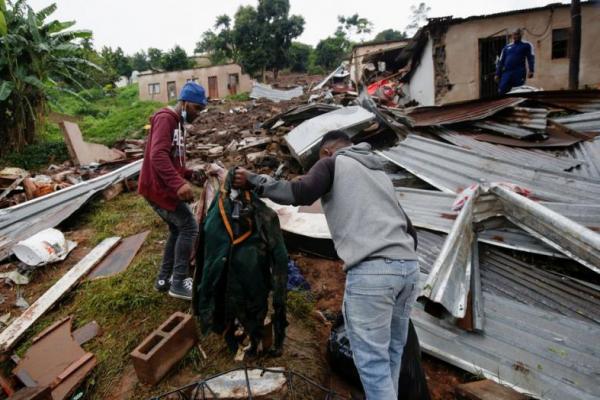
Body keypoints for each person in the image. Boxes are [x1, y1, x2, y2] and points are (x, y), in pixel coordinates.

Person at [233, 131, 419, 400]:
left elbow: (301, 193)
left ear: (326, 151)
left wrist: (254, 180)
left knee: (372, 364)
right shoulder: (378, 172)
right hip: (409, 270)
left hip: (373, 273)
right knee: (392, 354)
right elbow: (410, 231)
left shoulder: (333, 162)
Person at [138, 81, 207, 300]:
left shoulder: (178, 124)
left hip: (161, 187)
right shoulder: (166, 119)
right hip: (158, 188)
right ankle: (178, 282)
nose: (198, 114)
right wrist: (178, 184)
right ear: (185, 103)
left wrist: (188, 174)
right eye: (197, 109)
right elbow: (157, 156)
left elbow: (172, 159)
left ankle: (163, 278)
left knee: (177, 230)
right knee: (189, 227)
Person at [495, 28, 535, 95]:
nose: (515, 36)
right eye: (514, 34)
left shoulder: (527, 45)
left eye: (517, 34)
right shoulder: (506, 47)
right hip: (507, 73)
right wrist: (497, 74)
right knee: (502, 89)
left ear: (521, 35)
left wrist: (531, 70)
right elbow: (501, 61)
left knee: (518, 91)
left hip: (519, 72)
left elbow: (530, 57)